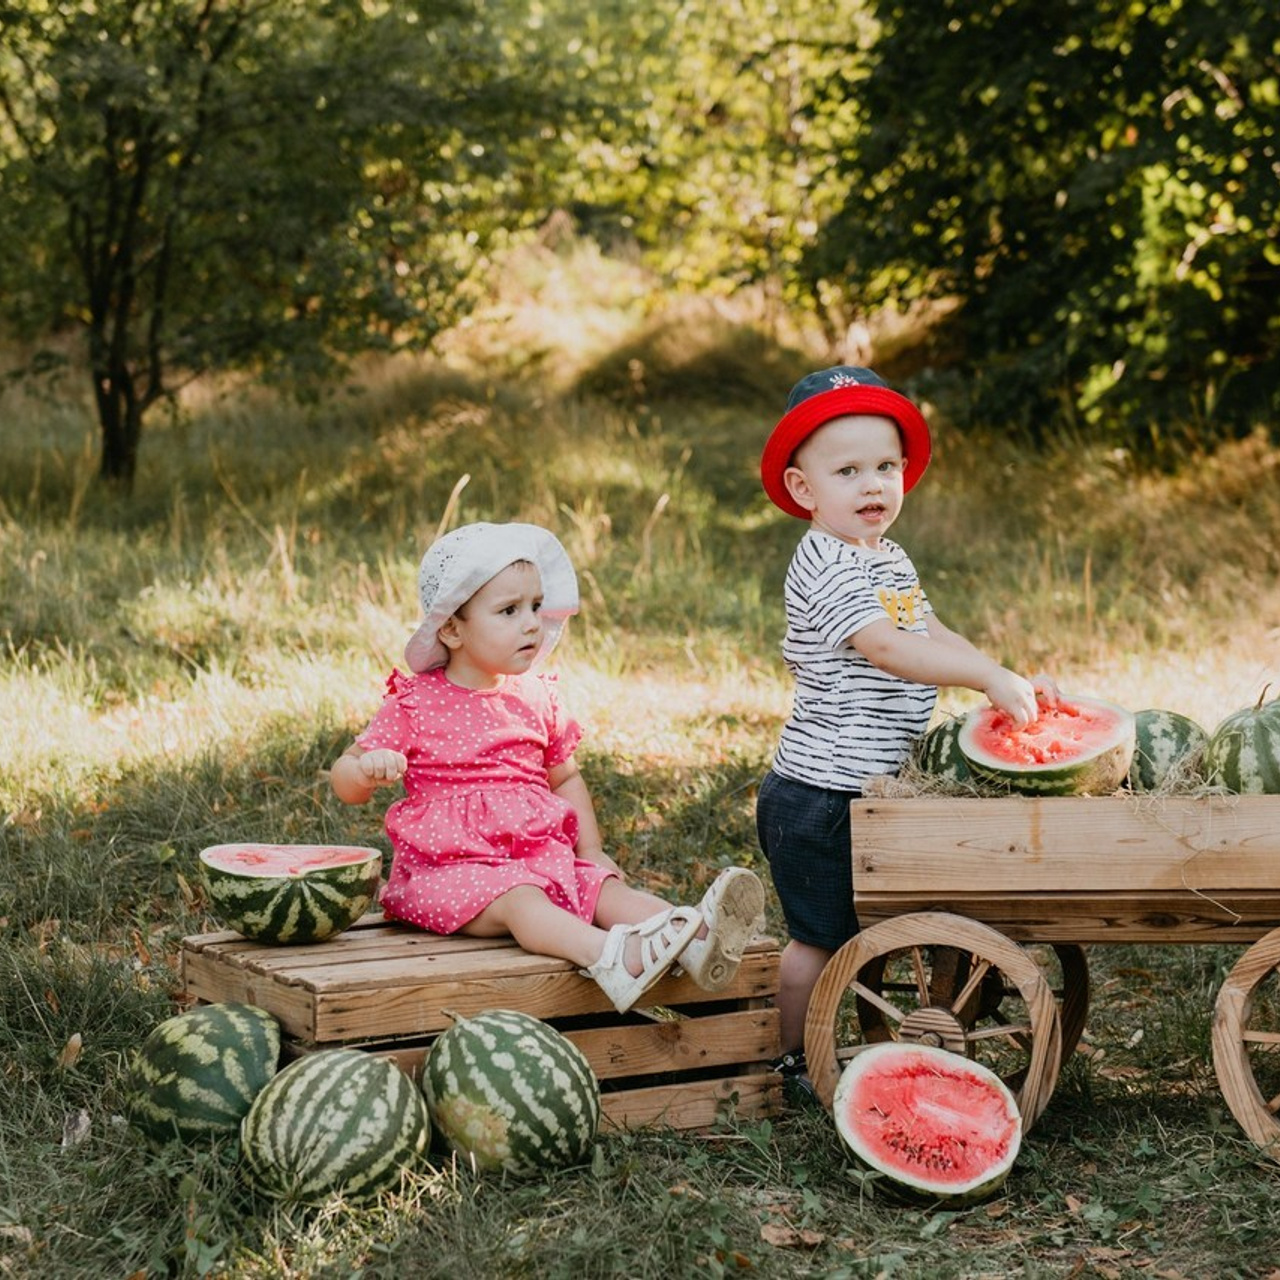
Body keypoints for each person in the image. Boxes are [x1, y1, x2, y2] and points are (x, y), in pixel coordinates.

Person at [755, 366, 1050, 1095]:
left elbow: (924, 627)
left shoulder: (886, 557)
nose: (873, 486)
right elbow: (886, 644)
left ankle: (843, 1038)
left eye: (886, 467)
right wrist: (979, 679)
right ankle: (789, 1058)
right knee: (818, 938)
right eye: (848, 471)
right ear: (804, 490)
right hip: (821, 793)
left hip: (875, 787)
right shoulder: (822, 563)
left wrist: (993, 668)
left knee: (864, 927)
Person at [331, 520, 766, 1014]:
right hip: (449, 875)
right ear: (451, 628)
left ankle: (692, 934)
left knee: (601, 888)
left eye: (536, 606)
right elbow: (345, 778)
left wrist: (593, 849)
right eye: (509, 611)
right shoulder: (415, 703)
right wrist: (364, 770)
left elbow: (565, 776)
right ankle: (610, 958)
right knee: (521, 899)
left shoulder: (536, 695)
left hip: (540, 859)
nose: (532, 623)